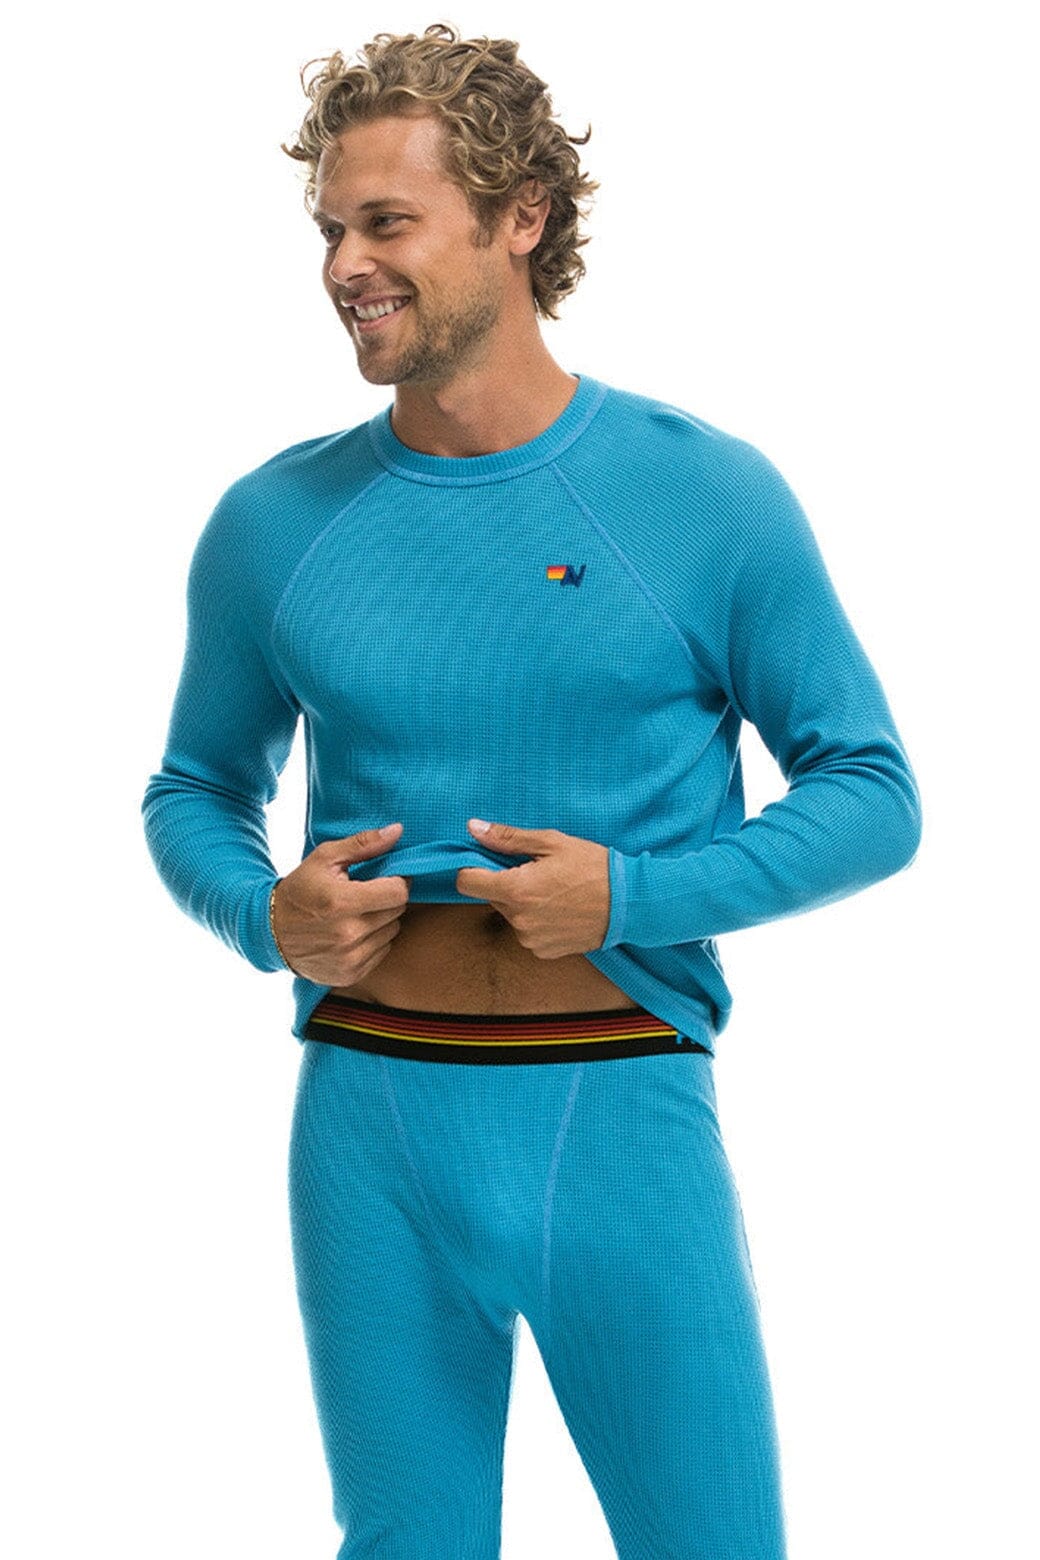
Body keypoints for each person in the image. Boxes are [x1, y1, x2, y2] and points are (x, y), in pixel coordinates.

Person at [141, 22, 922, 1560]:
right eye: (330, 228)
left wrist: (635, 895)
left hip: (619, 1110)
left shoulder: (699, 496)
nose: (344, 266)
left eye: (386, 222)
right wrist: (263, 913)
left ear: (521, 217)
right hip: (369, 1128)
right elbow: (192, 788)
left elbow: (872, 791)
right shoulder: (274, 522)